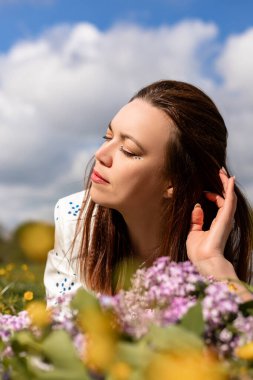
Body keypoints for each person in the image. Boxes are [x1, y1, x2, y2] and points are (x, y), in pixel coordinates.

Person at [44, 80, 253, 307]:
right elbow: (63, 331)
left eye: (128, 150)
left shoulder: (230, 247)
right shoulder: (75, 221)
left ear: (173, 182)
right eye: (108, 137)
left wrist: (213, 263)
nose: (100, 154)